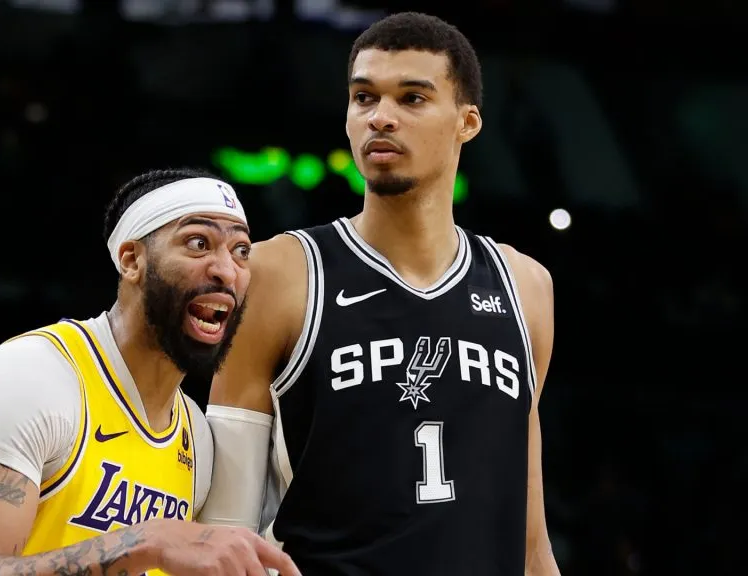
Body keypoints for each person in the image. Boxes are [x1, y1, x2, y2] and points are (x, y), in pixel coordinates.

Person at [198, 12, 560, 576]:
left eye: (412, 99)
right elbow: (225, 527)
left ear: (467, 122)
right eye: (364, 98)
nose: (380, 117)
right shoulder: (280, 271)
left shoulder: (525, 286)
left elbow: (530, 542)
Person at [0, 168, 300, 576]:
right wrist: (147, 542)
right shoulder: (34, 379)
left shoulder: (195, 437)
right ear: (131, 260)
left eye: (241, 251)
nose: (227, 270)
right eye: (199, 244)